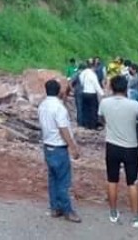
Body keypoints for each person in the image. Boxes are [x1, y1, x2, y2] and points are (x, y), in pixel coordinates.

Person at [98, 75, 138, 229]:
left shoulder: (104, 103)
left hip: (112, 145)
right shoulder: (134, 105)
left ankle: (113, 213)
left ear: (112, 88)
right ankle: (135, 217)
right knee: (132, 182)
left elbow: (101, 120)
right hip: (130, 147)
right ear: (126, 88)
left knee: (112, 180)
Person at [38, 79, 81, 223]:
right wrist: (73, 147)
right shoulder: (59, 108)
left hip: (47, 146)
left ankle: (55, 207)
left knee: (53, 179)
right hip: (59, 147)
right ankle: (68, 210)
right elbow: (63, 129)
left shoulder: (42, 105)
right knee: (63, 181)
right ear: (58, 91)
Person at [79, 61, 104, 130]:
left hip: (84, 93)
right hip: (92, 93)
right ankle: (93, 125)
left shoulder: (82, 73)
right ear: (93, 67)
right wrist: (102, 93)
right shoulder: (92, 74)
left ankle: (86, 125)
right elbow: (96, 85)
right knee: (93, 110)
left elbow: (81, 83)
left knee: (86, 110)